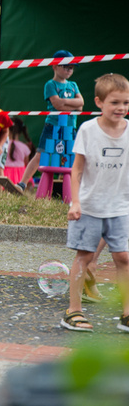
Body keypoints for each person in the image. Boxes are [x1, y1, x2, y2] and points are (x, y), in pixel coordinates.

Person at [61, 73, 129, 333]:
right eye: (114, 102)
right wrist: (75, 202)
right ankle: (73, 311)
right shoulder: (88, 130)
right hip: (89, 206)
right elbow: (76, 170)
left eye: (125, 103)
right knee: (85, 255)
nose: (121, 108)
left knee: (123, 257)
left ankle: (127, 313)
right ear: (99, 102)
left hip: (120, 207)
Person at [10, 50, 84, 193]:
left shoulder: (73, 85)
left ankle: (74, 190)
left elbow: (81, 105)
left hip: (69, 128)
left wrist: (65, 102)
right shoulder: (50, 84)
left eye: (71, 67)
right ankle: (22, 184)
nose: (69, 70)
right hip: (52, 126)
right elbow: (57, 104)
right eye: (66, 66)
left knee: (71, 157)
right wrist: (71, 103)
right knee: (40, 155)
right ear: (55, 66)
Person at [3, 117, 32, 187]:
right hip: (21, 175)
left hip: (5, 173)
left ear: (8, 129)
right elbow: (27, 163)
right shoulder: (25, 147)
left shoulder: (3, 145)